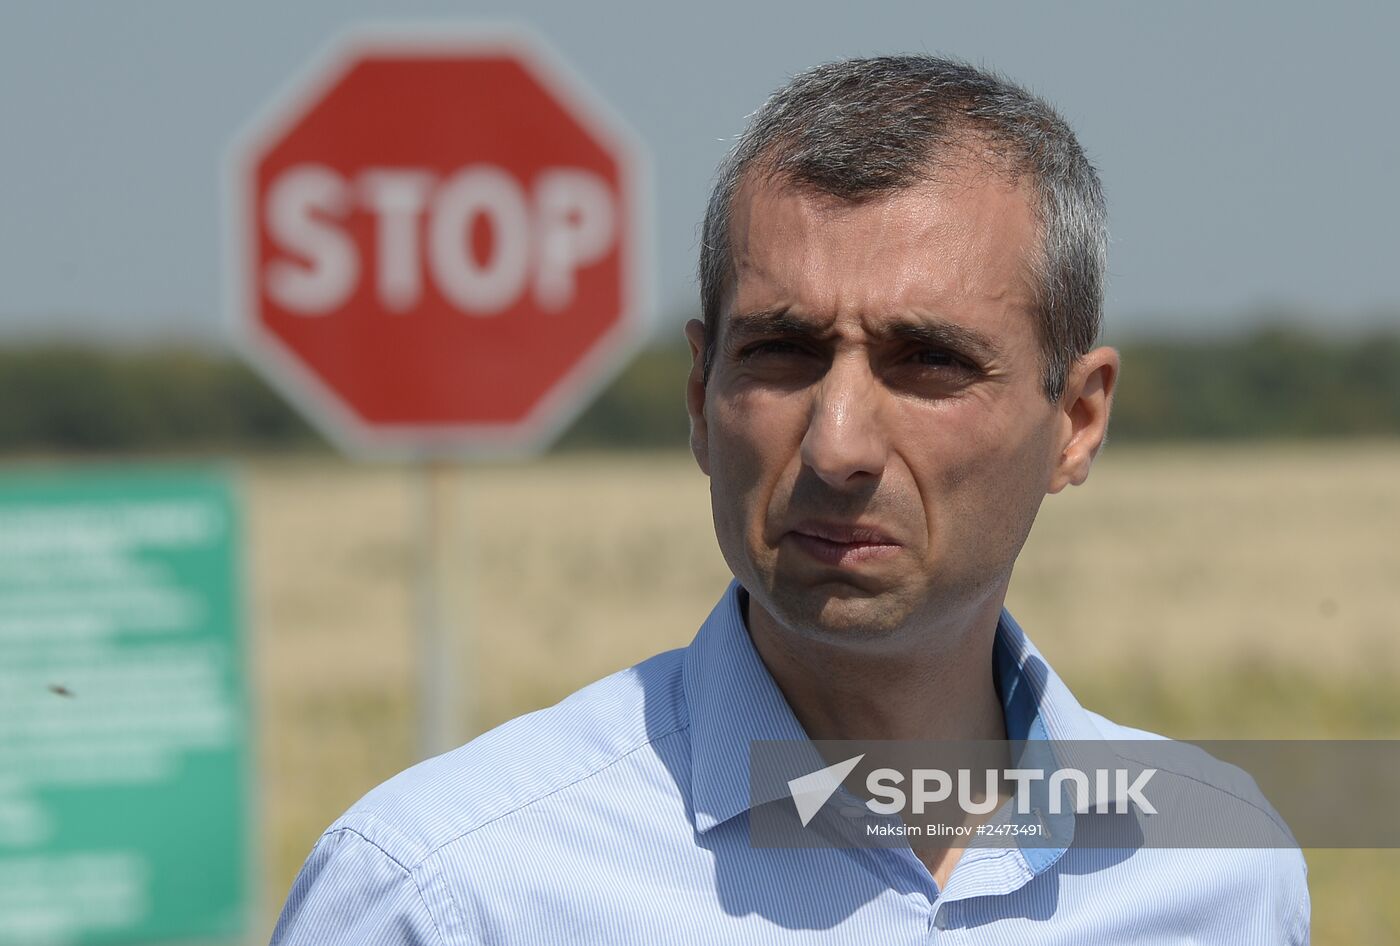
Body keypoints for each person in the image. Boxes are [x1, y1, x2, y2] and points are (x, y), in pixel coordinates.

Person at [270, 55, 1308, 944]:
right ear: (698, 393)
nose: (837, 443)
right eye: (780, 352)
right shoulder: (451, 891)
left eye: (927, 361)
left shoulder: (1215, 867)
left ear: (1075, 421)